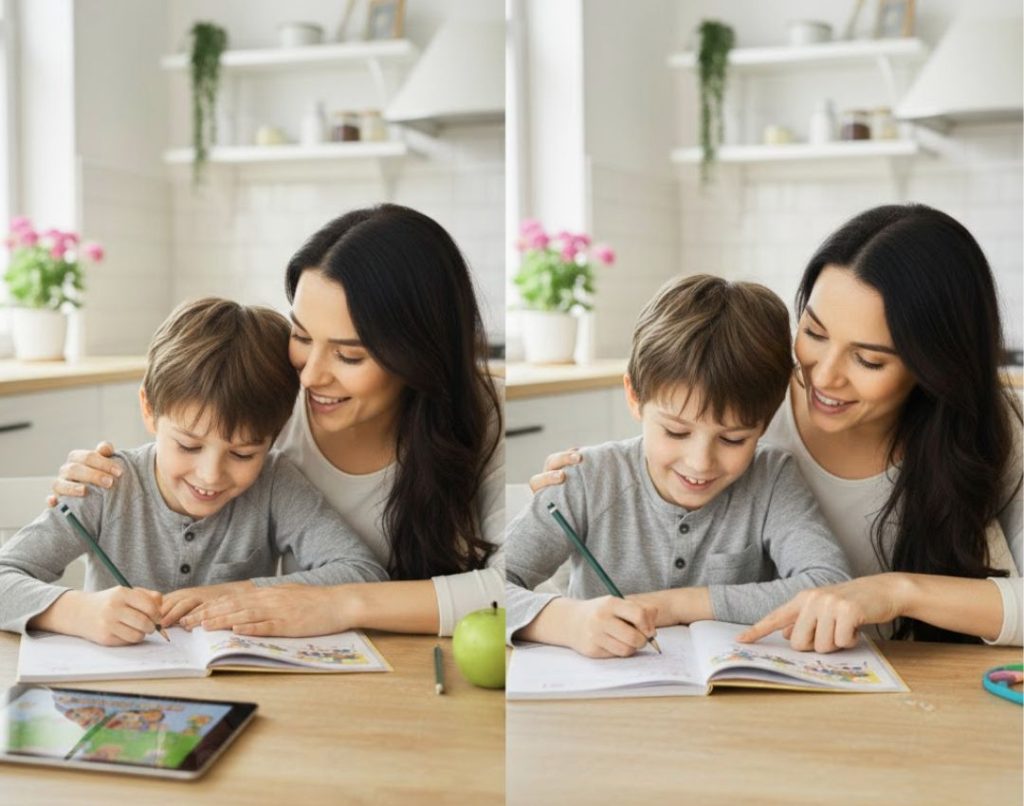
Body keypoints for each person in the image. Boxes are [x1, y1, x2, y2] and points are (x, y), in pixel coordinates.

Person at [536, 204, 1023, 652]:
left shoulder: (997, 432)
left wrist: (897, 591)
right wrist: (606, 472)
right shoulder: (745, 406)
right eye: (813, 332)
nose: (824, 375)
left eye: (868, 359)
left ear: (935, 366)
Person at [48, 204, 505, 638]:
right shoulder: (268, 405)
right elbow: (183, 437)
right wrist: (100, 474)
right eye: (301, 336)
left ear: (420, 354)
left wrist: (334, 603)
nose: (309, 376)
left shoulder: (488, 415)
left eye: (348, 355)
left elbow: (514, 588)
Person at [0, 298, 387, 645]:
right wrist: (76, 611)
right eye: (188, 446)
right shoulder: (106, 484)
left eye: (243, 454)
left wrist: (241, 594)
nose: (210, 475)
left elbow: (364, 574)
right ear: (149, 410)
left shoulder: (275, 482)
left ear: (276, 434)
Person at [506, 274, 851, 658]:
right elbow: (487, 588)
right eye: (675, 431)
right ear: (634, 397)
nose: (700, 462)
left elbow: (830, 586)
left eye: (733, 439)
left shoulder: (772, 479)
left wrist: (676, 605)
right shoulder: (587, 479)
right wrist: (567, 622)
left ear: (765, 424)